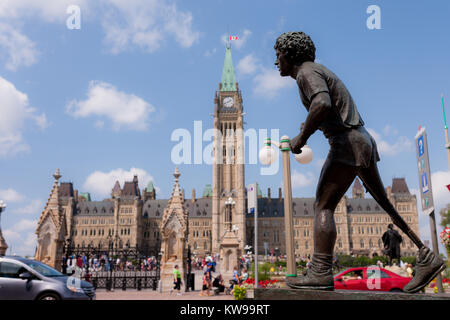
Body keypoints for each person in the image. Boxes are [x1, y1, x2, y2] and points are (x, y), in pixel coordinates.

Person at [274, 31, 445, 293]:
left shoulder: (306, 73)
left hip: (347, 143)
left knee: (323, 205)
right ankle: (427, 255)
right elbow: (327, 108)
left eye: (278, 54)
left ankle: (320, 271)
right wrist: (311, 124)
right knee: (384, 202)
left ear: (290, 54)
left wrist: (302, 136)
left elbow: (321, 103)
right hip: (362, 140)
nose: (276, 61)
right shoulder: (317, 70)